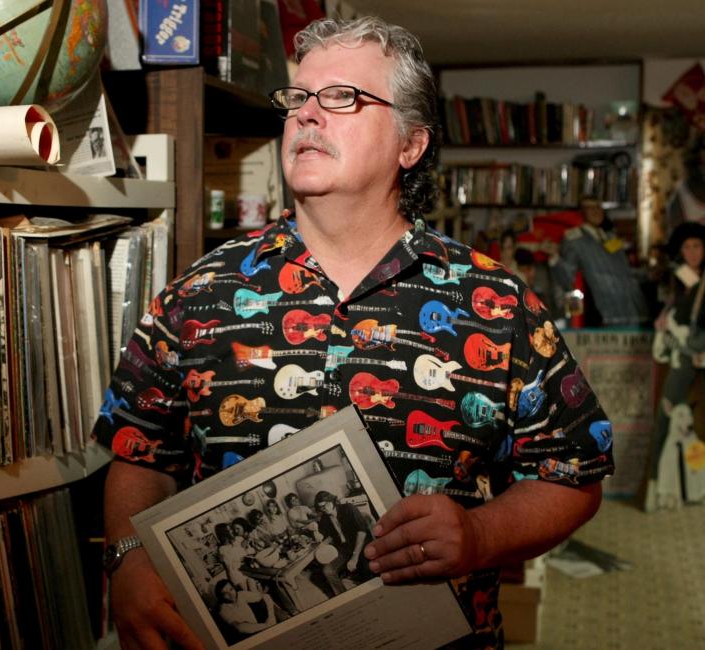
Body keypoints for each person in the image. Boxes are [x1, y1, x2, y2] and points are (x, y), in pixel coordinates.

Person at [96, 16, 611, 649]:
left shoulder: (498, 305)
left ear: (410, 145)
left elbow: (573, 475)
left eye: (342, 97)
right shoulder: (198, 293)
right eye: (298, 98)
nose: (308, 115)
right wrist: (127, 557)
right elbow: (140, 451)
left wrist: (480, 537)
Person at [644, 221, 705, 511]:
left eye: (698, 246)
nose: (693, 252)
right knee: (666, 420)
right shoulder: (675, 280)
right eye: (687, 247)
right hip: (681, 359)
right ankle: (657, 488)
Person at [546, 195, 648, 326]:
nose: (596, 211)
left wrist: (648, 274)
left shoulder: (611, 237)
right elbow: (566, 279)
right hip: (604, 312)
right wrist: (554, 258)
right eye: (590, 208)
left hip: (632, 308)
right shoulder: (575, 240)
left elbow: (626, 271)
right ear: (581, 213)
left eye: (598, 207)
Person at [312, 489, 374, 595]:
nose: (325, 509)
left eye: (326, 505)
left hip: (360, 545)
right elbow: (325, 536)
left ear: (332, 501)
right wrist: (317, 534)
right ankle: (343, 596)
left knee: (367, 571)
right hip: (344, 549)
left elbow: (362, 533)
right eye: (321, 507)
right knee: (328, 571)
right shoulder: (325, 518)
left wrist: (354, 557)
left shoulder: (348, 508)